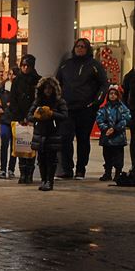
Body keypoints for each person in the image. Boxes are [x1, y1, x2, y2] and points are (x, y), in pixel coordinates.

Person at [54, 36, 108, 179]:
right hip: (67, 109)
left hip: (86, 109)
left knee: (83, 140)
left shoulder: (94, 65)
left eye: (83, 46)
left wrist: (96, 102)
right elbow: (57, 84)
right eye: (78, 46)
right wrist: (58, 102)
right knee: (65, 139)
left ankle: (80, 169)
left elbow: (104, 84)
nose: (80, 49)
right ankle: (67, 169)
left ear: (87, 49)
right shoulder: (66, 65)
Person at [28, 76, 67, 191]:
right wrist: (37, 116)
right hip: (40, 133)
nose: (48, 90)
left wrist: (51, 114)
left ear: (54, 89)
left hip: (53, 133)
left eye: (50, 88)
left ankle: (50, 181)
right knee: (41, 159)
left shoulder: (59, 101)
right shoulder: (38, 101)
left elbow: (65, 116)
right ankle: (43, 180)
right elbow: (29, 115)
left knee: (51, 159)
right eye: (45, 88)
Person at [95, 85, 131, 181]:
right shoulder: (103, 108)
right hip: (106, 137)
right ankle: (108, 172)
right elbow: (99, 120)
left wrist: (115, 129)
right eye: (111, 93)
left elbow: (126, 119)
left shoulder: (123, 108)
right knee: (107, 156)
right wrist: (106, 129)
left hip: (118, 137)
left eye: (115, 94)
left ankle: (118, 173)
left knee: (118, 157)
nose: (113, 95)